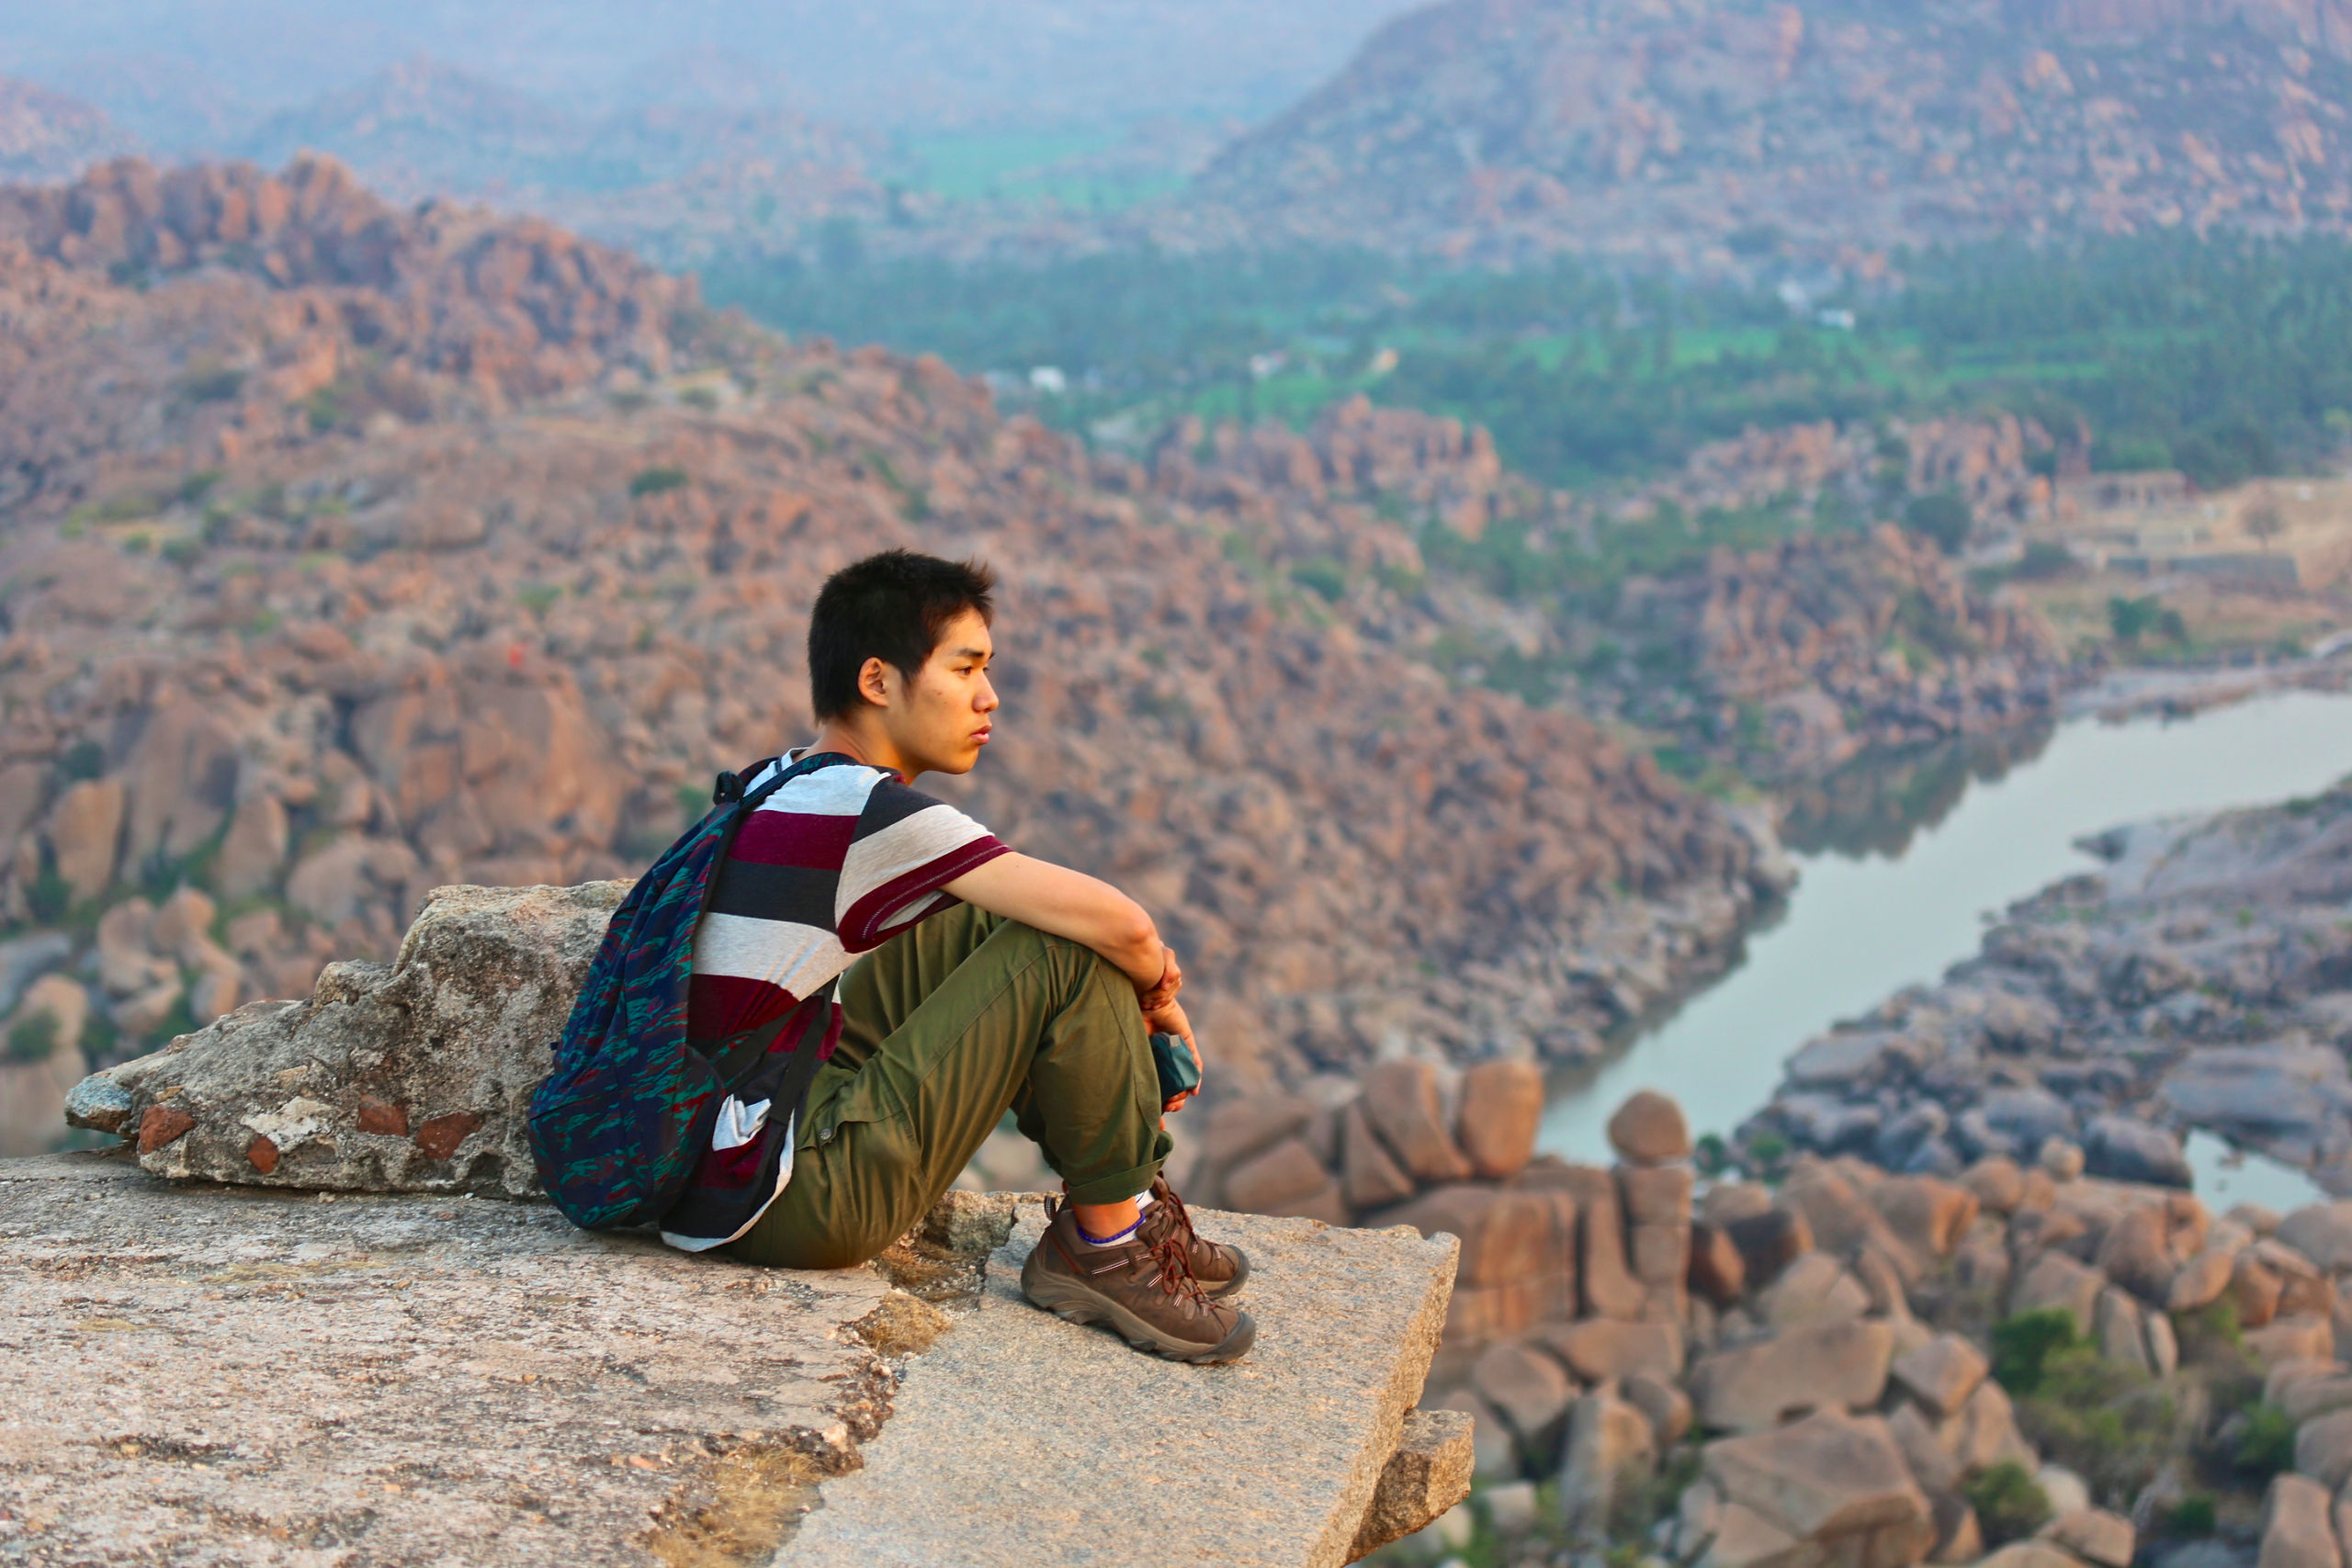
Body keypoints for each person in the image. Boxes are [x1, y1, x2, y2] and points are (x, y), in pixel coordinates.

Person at [670, 547, 1254, 1364]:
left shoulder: (778, 782)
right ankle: (1107, 1241)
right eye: (965, 667)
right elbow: (1125, 927)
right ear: (878, 681)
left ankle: (1120, 1194)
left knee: (988, 917)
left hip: (721, 1168)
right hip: (797, 1199)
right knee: (1064, 946)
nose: (989, 696)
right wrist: (1159, 999)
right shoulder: (868, 810)